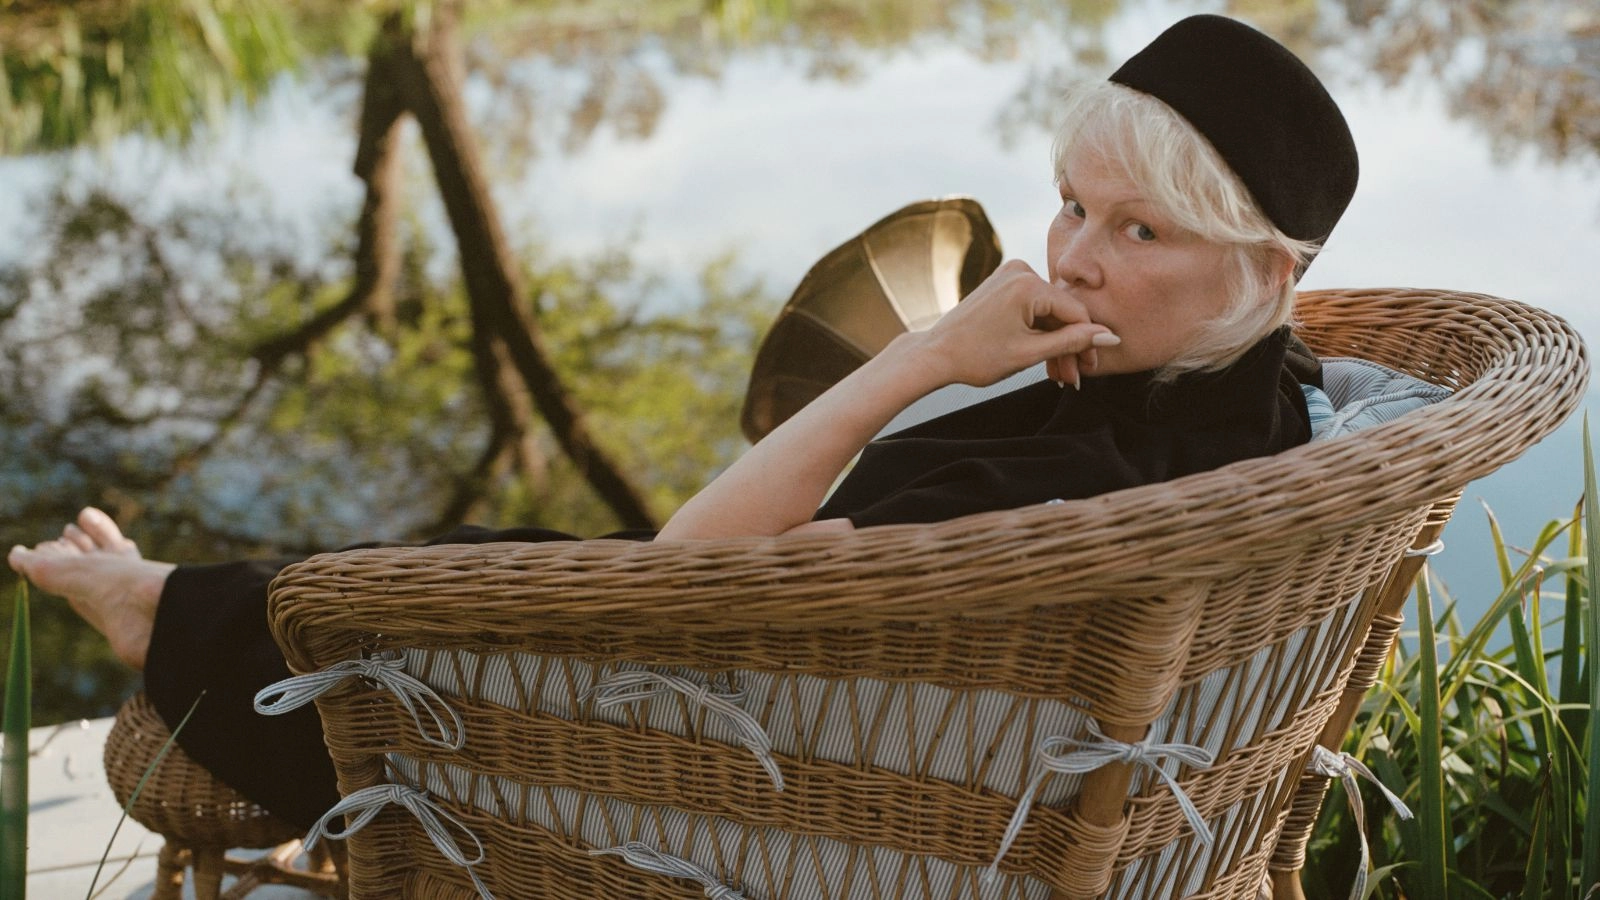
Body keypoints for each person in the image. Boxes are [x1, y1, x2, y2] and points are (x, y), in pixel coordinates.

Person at [8, 14, 1356, 832]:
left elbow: (680, 577)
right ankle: (179, 599)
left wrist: (930, 357)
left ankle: (164, 613)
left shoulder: (1077, 483)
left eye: (1138, 231)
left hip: (736, 779)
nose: (1069, 258)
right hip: (878, 743)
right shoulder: (1253, 407)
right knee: (491, 554)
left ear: (1266, 268)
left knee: (441, 592)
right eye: (1070, 203)